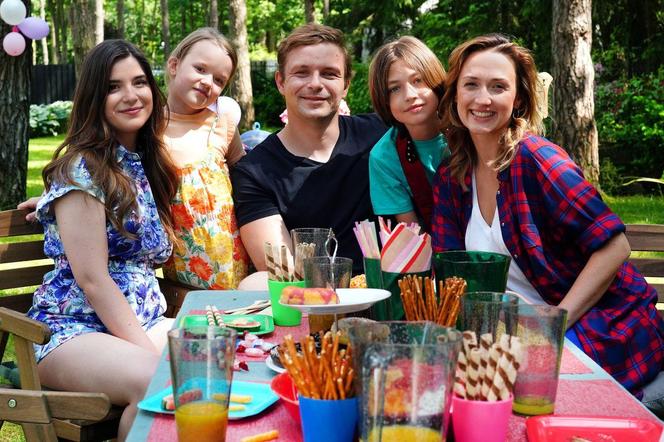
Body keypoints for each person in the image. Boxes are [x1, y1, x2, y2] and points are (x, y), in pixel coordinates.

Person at [431, 33, 664, 404]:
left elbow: (615, 247)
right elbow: (452, 275)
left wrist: (551, 328)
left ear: (518, 98)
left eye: (498, 87)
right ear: (455, 94)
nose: (482, 99)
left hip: (600, 326)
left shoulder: (537, 159)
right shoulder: (451, 177)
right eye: (470, 85)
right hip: (509, 340)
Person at [26, 40, 178, 440]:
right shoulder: (82, 170)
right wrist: (153, 353)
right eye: (113, 87)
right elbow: (93, 281)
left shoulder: (140, 162)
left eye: (140, 82)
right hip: (71, 332)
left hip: (139, 322)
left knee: (220, 360)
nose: (131, 95)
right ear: (94, 98)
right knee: (159, 380)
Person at [231, 24, 387, 277]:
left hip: (387, 300)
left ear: (346, 84)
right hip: (309, 306)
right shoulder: (255, 172)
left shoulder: (381, 136)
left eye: (329, 73)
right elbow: (280, 273)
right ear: (281, 82)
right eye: (301, 73)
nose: (315, 84)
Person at [162, 28, 249, 289]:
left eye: (219, 80)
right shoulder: (149, 128)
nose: (207, 82)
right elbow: (114, 177)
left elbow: (245, 174)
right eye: (200, 69)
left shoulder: (221, 122)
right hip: (185, 277)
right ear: (174, 65)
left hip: (235, 264)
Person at [368, 36, 448, 231]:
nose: (410, 95)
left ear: (435, 80)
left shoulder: (469, 131)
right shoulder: (384, 157)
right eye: (394, 89)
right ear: (384, 99)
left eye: (418, 80)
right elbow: (413, 230)